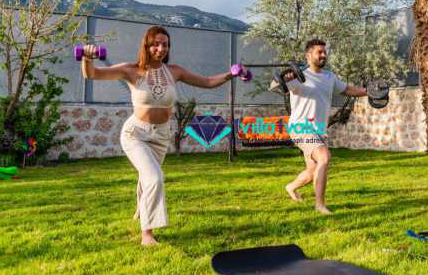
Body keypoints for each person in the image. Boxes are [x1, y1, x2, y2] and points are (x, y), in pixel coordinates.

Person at [81, 25, 246, 246]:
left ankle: (141, 209)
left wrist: (231, 74)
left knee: (148, 175)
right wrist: (87, 57)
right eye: (156, 44)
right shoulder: (131, 70)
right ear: (146, 46)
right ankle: (147, 235)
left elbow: (207, 82)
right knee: (154, 178)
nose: (161, 49)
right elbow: (92, 74)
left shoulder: (174, 72)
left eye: (165, 45)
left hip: (161, 135)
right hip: (136, 133)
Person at [279, 39, 367, 214]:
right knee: (324, 157)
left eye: (324, 52)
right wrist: (285, 78)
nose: (323, 55)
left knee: (312, 171)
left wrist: (367, 92)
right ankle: (320, 205)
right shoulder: (298, 76)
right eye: (319, 52)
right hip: (301, 128)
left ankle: (291, 187)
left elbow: (348, 90)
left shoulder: (329, 77)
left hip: (319, 130)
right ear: (308, 55)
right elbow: (276, 85)